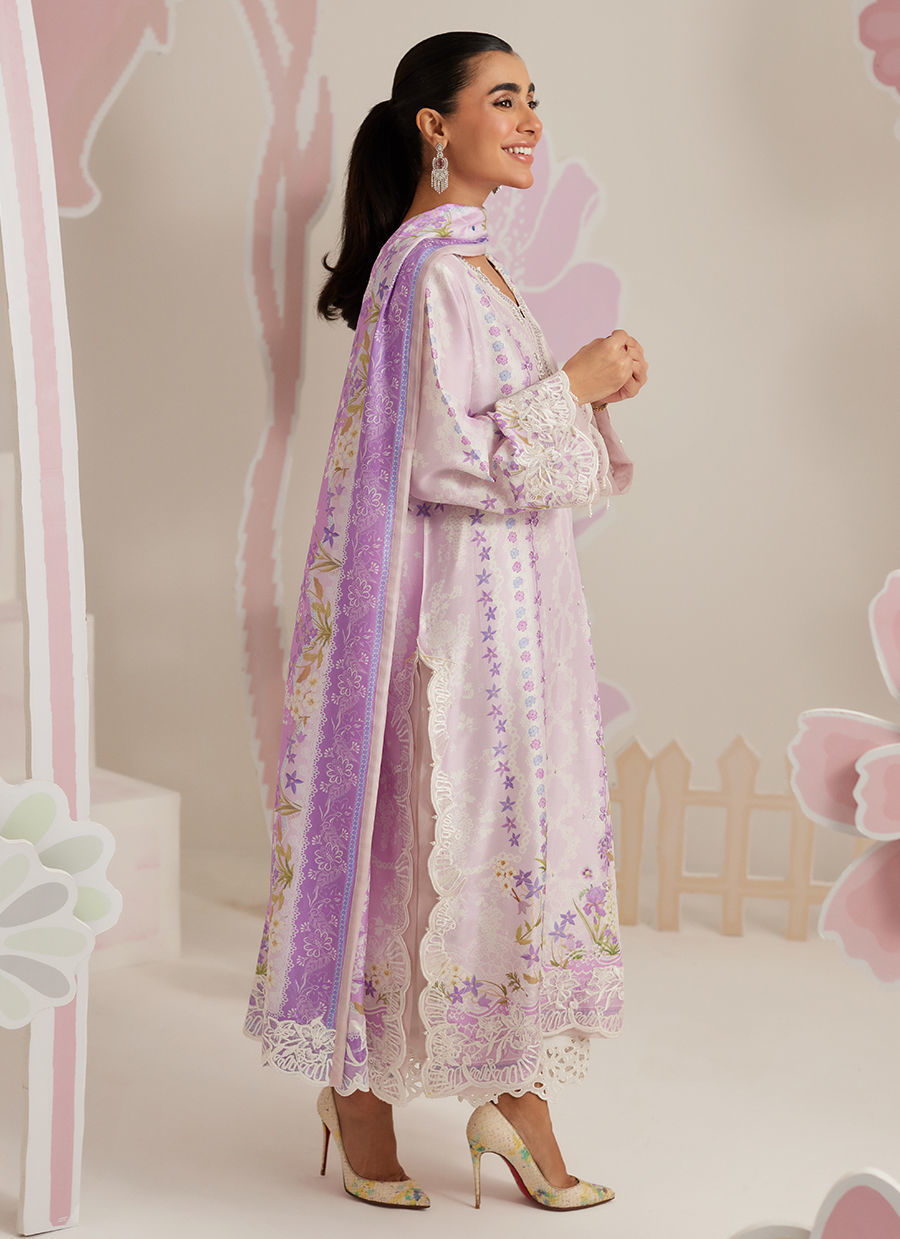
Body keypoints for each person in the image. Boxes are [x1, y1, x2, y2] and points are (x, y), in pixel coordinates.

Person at [245, 30, 648, 1212]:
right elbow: (442, 457)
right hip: (457, 626)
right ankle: (394, 1095)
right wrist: (573, 386)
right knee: (448, 832)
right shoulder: (426, 272)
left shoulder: (473, 268)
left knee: (498, 835)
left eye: (534, 100)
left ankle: (484, 1093)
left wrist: (587, 394)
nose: (529, 122)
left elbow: (512, 444)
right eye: (503, 99)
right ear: (436, 124)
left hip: (516, 616)